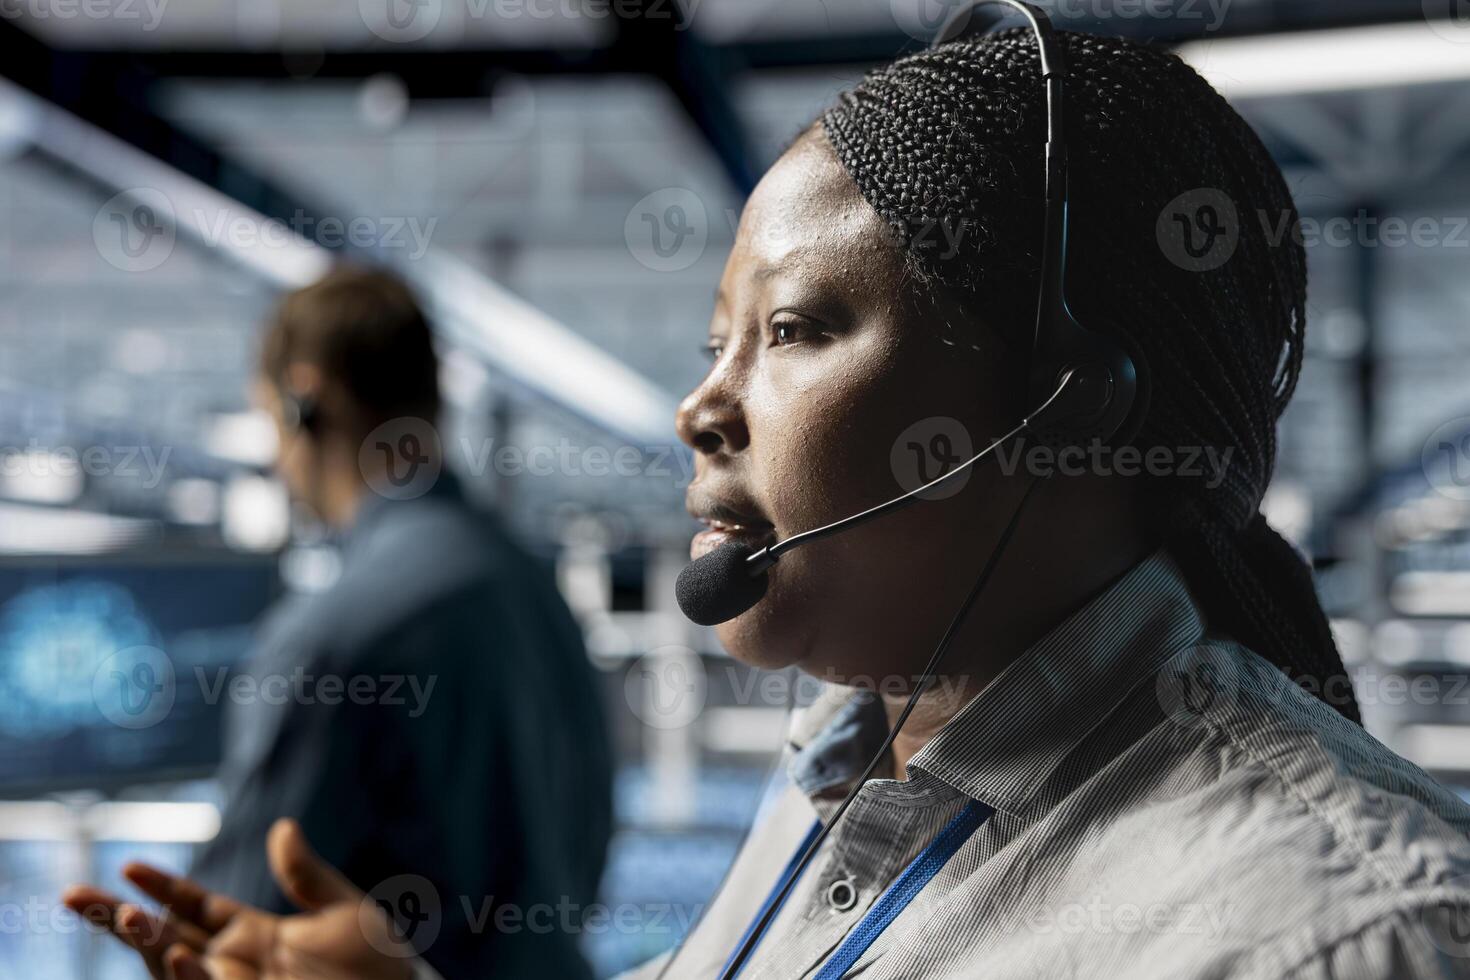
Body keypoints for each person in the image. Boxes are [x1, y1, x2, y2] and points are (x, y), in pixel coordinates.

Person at [68, 25, 1470, 980]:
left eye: (791, 331)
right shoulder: (843, 772)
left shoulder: (1342, 933)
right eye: (711, 346)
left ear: (1068, 400)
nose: (700, 408)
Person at [66, 267, 612, 979]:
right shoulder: (536, 595)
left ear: (305, 400)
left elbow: (231, 932)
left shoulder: (332, 637)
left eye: (270, 424)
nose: (276, 461)